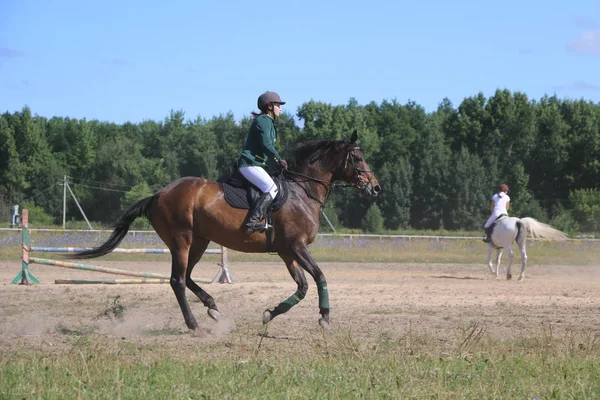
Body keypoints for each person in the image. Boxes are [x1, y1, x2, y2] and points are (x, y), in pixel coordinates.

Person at [237, 91, 288, 233]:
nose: (280, 108)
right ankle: (252, 222)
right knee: (271, 188)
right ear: (270, 106)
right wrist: (279, 159)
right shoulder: (263, 121)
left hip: (256, 164)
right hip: (249, 163)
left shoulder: (269, 122)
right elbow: (267, 146)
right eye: (278, 105)